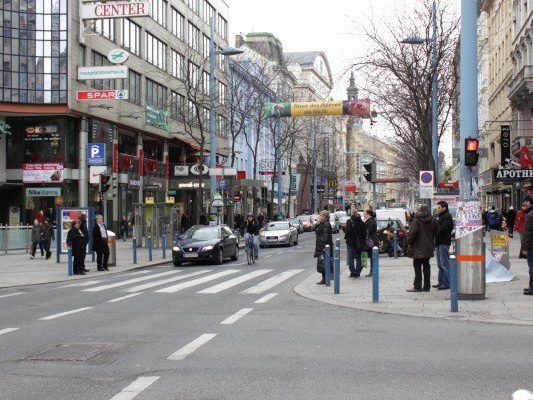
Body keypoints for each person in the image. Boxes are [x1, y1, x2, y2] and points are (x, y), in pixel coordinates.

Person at [406, 205, 437, 293]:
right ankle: (427, 287)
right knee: (427, 266)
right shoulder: (433, 219)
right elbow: (437, 231)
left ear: (420, 210)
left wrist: (409, 242)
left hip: (418, 247)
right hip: (428, 247)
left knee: (417, 267)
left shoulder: (417, 220)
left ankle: (417, 286)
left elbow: (412, 233)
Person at [434, 201, 454, 290]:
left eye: (439, 208)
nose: (437, 209)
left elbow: (442, 229)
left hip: (444, 242)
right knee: (440, 264)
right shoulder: (440, 216)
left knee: (445, 264)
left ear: (444, 208)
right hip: (439, 242)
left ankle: (447, 283)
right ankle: (441, 282)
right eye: (437, 208)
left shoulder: (447, 217)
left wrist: (435, 228)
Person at [344, 210, 367, 278]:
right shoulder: (362, 222)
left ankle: (353, 273)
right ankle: (358, 272)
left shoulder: (349, 221)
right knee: (359, 258)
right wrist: (361, 239)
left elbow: (347, 231)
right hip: (359, 243)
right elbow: (365, 233)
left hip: (350, 243)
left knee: (351, 258)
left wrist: (344, 228)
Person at [314, 210, 333, 284]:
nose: (319, 216)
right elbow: (315, 230)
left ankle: (325, 279)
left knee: (323, 263)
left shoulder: (326, 224)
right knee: (321, 263)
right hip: (321, 246)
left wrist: (324, 247)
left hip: (323, 247)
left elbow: (326, 237)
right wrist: (317, 224)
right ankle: (324, 279)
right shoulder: (321, 223)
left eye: (320, 215)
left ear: (324, 216)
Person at [519, 197, 533, 296]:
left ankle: (532, 288)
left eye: (526, 201)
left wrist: (524, 248)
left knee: (532, 267)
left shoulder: (530, 215)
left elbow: (527, 234)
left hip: (531, 246)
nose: (525, 203)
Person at [364, 209, 378, 277]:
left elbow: (369, 231)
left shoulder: (371, 221)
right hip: (372, 240)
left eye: (365, 214)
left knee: (372, 257)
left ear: (368, 214)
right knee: (372, 257)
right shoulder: (371, 220)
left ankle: (373, 271)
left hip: (371, 241)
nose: (364, 215)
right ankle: (373, 271)